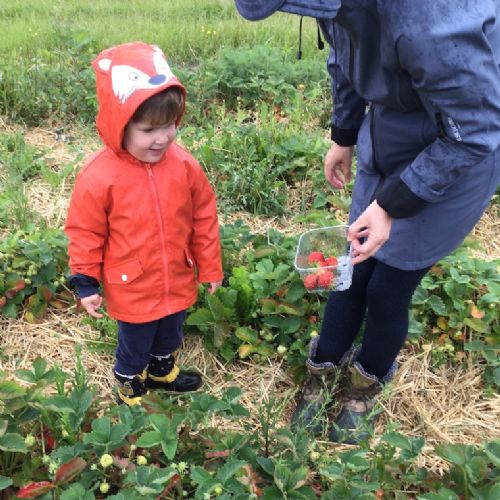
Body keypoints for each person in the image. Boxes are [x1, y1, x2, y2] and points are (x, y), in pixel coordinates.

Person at [235, 0, 500, 443]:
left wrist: (390, 204)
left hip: (458, 151)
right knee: (352, 269)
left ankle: (364, 388)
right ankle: (322, 371)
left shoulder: (431, 16)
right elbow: (347, 50)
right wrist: (344, 133)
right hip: (393, 131)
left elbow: (474, 130)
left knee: (388, 288)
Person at [65, 42, 223, 406]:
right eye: (149, 129)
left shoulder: (183, 165)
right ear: (120, 125)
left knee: (170, 331)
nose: (162, 138)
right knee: (135, 341)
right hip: (131, 283)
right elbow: (85, 232)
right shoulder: (99, 176)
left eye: (169, 125)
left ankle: (161, 370)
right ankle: (129, 381)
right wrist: (85, 282)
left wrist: (210, 266)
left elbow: (203, 216)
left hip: (176, 275)